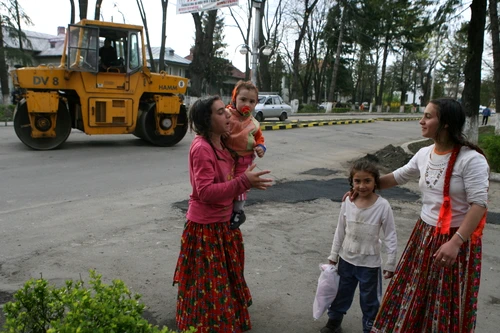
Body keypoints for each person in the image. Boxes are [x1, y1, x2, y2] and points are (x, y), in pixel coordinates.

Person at [362, 98, 489, 333]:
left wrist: (456, 242)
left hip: (456, 240)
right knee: (414, 292)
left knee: (445, 299)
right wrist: (362, 187)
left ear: (446, 124)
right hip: (424, 235)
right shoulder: (424, 153)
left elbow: (479, 205)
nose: (422, 121)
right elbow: (397, 176)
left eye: (428, 116)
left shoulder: (471, 159)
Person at [172, 95, 272, 333]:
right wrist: (244, 182)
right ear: (206, 121)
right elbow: (205, 192)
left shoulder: (221, 141)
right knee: (209, 284)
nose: (228, 114)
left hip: (223, 223)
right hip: (205, 228)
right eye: (220, 112)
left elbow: (247, 143)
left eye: (225, 110)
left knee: (224, 280)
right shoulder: (202, 148)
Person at [321, 160, 397, 333]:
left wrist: (390, 263)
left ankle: (369, 328)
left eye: (367, 181)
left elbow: (390, 235)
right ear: (351, 182)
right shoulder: (348, 201)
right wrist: (333, 255)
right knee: (341, 294)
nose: (362, 186)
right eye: (357, 181)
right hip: (346, 260)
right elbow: (340, 229)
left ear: (375, 182)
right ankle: (334, 322)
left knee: (370, 300)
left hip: (369, 265)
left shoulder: (383, 206)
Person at [225, 80, 267, 229]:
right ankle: (227, 208)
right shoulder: (227, 115)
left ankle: (238, 211)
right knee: (228, 182)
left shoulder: (253, 123)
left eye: (252, 101)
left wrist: (261, 147)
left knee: (241, 183)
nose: (247, 105)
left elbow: (259, 138)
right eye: (243, 99)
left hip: (245, 158)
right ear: (234, 98)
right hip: (227, 157)